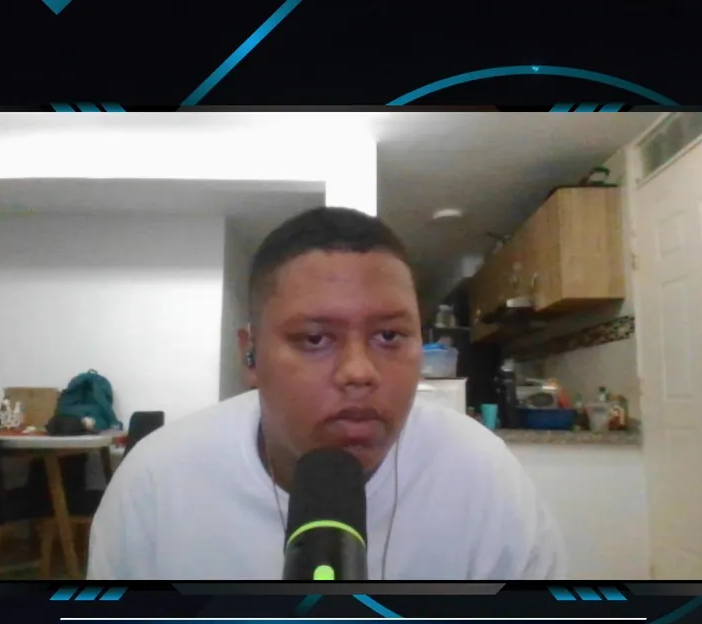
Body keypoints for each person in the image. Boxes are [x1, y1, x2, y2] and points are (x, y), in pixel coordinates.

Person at [86, 207, 568, 580]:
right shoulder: (155, 484)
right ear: (250, 355)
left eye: (389, 336)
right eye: (315, 339)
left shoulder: (484, 479)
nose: (359, 372)